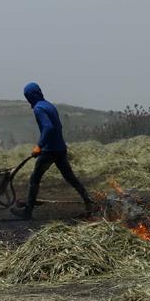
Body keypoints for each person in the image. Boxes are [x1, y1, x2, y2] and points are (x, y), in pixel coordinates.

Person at [11, 83, 94, 220]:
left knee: (34, 179)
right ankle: (88, 202)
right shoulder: (48, 105)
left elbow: (48, 127)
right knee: (70, 178)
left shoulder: (38, 109)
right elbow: (58, 126)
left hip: (49, 151)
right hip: (60, 149)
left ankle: (27, 212)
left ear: (29, 97)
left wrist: (40, 146)